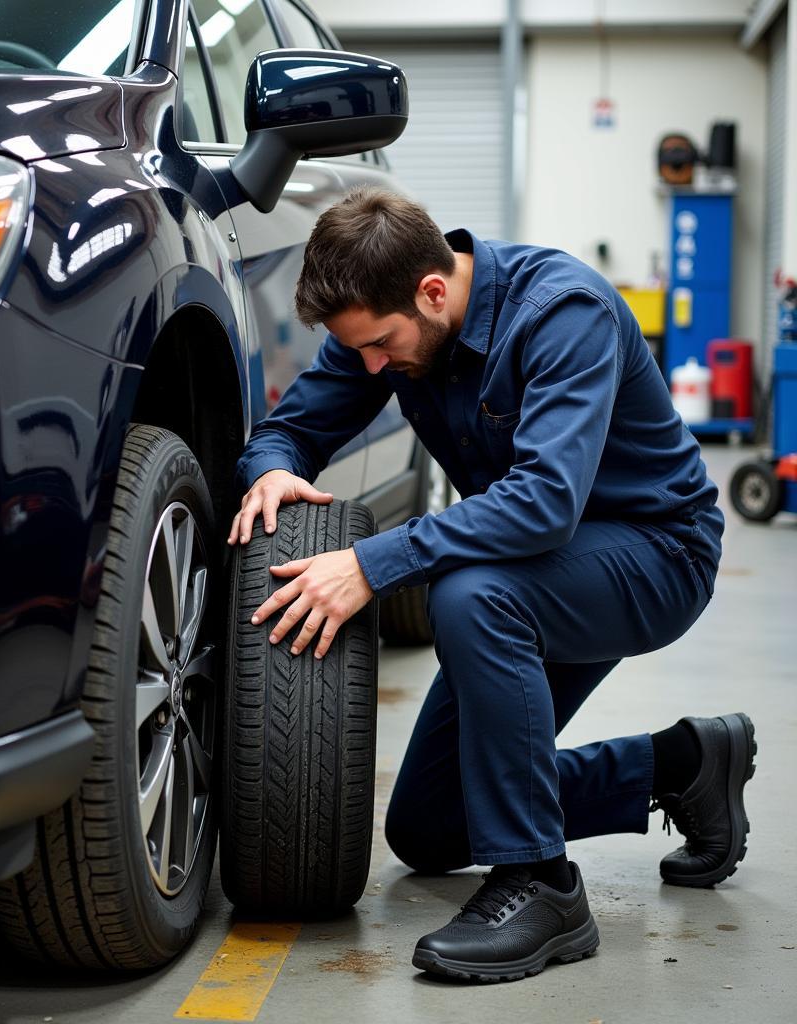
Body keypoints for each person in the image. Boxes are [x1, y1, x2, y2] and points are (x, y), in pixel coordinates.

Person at [227, 187, 756, 983]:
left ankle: (542, 884)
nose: (369, 367)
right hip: (545, 572)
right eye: (357, 351)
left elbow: (543, 504)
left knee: (471, 594)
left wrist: (373, 562)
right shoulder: (386, 320)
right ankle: (680, 765)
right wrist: (270, 475)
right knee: (431, 827)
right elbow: (287, 430)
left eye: (378, 346)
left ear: (432, 292)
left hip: (657, 555)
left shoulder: (561, 314)